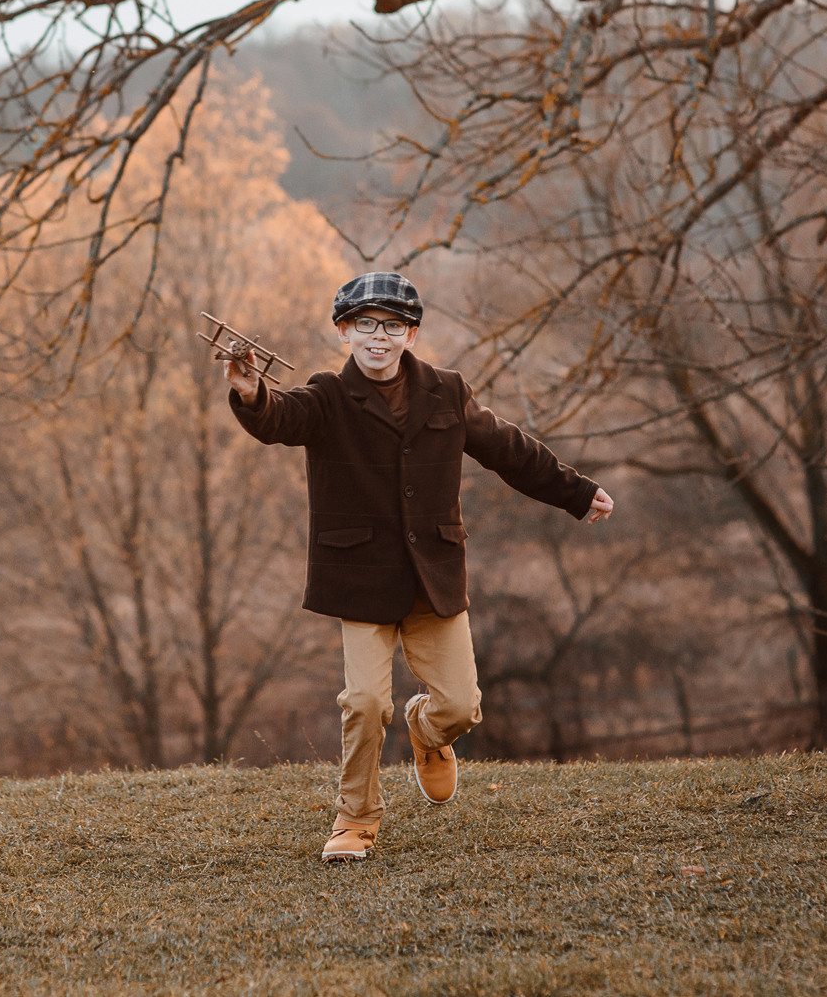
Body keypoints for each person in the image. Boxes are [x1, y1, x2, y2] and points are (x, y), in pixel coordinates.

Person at [223, 271, 614, 862]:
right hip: (359, 580)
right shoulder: (326, 396)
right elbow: (280, 418)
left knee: (460, 705)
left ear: (411, 333)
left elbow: (508, 449)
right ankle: (355, 819)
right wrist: (251, 393)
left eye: (393, 326)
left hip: (433, 573)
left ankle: (426, 731)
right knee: (364, 703)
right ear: (343, 331)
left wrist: (575, 493)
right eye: (364, 325)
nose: (378, 337)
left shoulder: (447, 391)